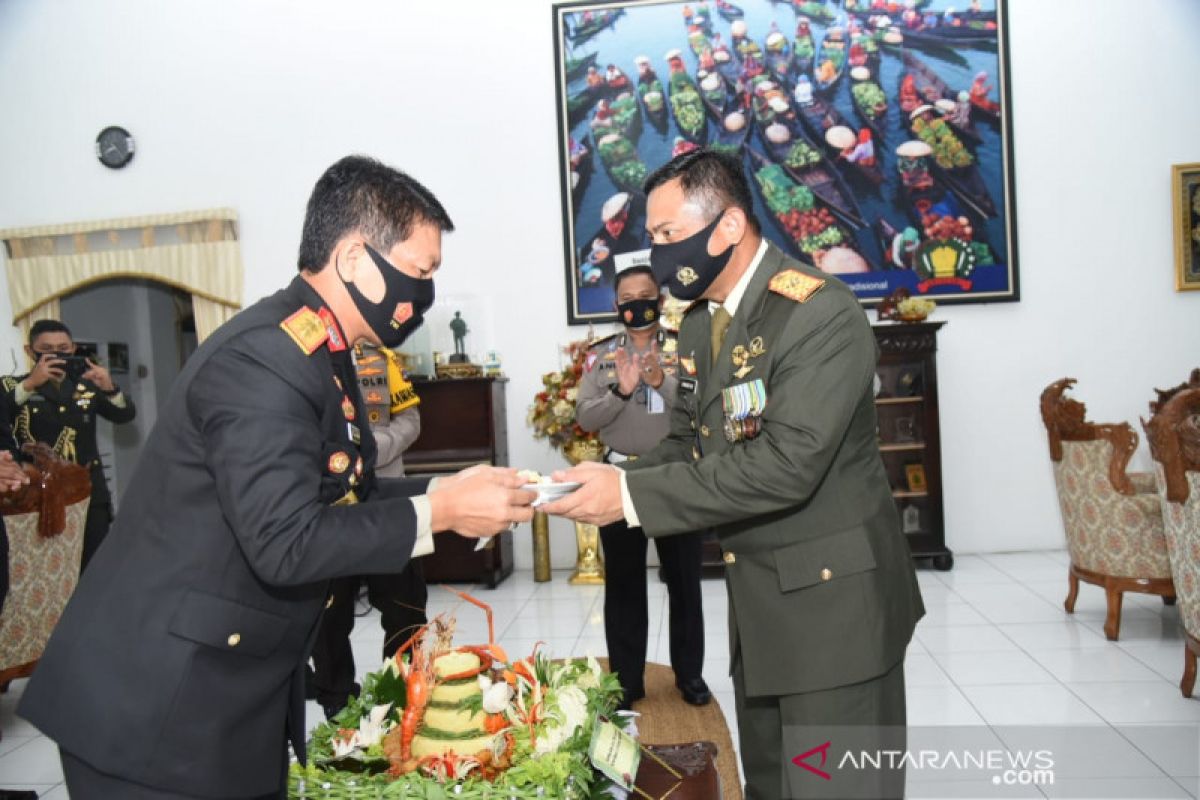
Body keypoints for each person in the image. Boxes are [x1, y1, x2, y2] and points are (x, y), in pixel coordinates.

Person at [17, 155, 535, 799]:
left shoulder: (320, 346)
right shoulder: (264, 359)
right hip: (156, 715)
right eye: (418, 272)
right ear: (354, 260)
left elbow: (348, 489)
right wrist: (444, 513)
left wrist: (450, 491)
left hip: (218, 693)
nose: (424, 293)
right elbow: (287, 541)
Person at [544, 149, 924, 799]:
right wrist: (598, 477)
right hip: (762, 606)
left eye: (668, 236)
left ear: (727, 226)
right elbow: (691, 443)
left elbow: (784, 467)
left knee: (838, 789)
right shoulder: (698, 326)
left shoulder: (817, 313)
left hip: (835, 614)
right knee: (773, 784)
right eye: (652, 239)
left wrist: (631, 495)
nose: (657, 255)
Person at [575, 266, 708, 712]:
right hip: (621, 481)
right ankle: (627, 682)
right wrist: (622, 389)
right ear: (617, 307)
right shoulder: (600, 357)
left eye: (645, 296)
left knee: (685, 581)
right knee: (624, 585)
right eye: (628, 298)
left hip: (674, 478)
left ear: (660, 300)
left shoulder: (683, 347)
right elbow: (586, 418)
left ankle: (689, 675)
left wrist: (659, 383)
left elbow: (699, 406)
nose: (637, 305)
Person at [309, 341, 427, 719]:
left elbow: (411, 420)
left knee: (403, 607)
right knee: (329, 616)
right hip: (330, 508)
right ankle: (337, 702)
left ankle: (403, 697)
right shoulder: (304, 360)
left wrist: (372, 449)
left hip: (385, 501)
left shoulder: (380, 358)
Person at [2, 320, 136, 572]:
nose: (56, 354)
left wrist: (109, 387)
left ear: (73, 349)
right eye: (47, 348)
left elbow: (124, 415)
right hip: (38, 494)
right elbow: (3, 414)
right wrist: (31, 384)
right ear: (30, 352)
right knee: (49, 569)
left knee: (93, 568)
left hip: (89, 493)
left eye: (63, 348)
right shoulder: (13, 386)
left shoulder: (86, 386)